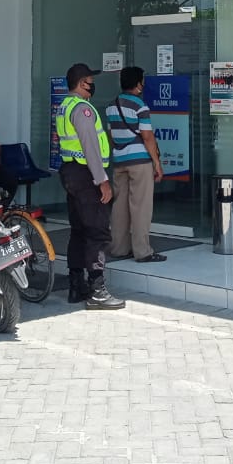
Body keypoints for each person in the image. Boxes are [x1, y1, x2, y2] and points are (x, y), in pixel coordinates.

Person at [55, 61, 124, 310]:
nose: (92, 86)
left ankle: (76, 286)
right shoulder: (82, 109)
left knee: (79, 230)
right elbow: (90, 147)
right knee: (96, 230)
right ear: (82, 83)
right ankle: (97, 290)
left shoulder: (64, 106)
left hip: (71, 172)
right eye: (90, 82)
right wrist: (102, 180)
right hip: (86, 174)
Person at [105, 66, 165, 263]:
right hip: (139, 162)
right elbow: (147, 137)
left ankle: (119, 248)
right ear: (138, 83)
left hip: (119, 161)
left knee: (119, 206)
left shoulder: (111, 106)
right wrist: (156, 163)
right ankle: (143, 251)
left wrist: (118, 151)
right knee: (141, 206)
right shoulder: (140, 106)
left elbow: (110, 135)